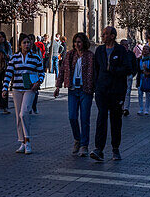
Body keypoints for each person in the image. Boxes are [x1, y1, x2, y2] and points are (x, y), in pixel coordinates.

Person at [90, 26, 129, 163]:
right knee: (101, 118)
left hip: (116, 90)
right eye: (103, 33)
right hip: (102, 89)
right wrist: (96, 85)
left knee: (115, 119)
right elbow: (96, 69)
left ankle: (115, 148)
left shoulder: (121, 50)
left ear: (112, 36)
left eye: (105, 34)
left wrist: (112, 69)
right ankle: (98, 149)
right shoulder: (99, 50)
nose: (103, 36)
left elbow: (127, 69)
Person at [54, 31, 95, 156]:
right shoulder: (70, 55)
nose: (77, 44)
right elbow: (63, 70)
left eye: (80, 42)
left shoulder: (90, 56)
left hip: (85, 90)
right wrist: (58, 86)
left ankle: (84, 145)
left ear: (84, 43)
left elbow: (94, 73)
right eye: (75, 42)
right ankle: (77, 139)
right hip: (72, 90)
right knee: (72, 117)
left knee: (84, 118)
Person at [2, 35, 44, 154]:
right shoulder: (14, 58)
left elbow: (41, 72)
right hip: (17, 89)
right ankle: (22, 142)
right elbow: (9, 73)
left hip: (30, 89)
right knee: (18, 116)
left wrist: (38, 82)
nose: (27, 45)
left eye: (28, 43)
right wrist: (5, 88)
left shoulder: (35, 58)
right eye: (24, 43)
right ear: (20, 44)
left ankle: (28, 140)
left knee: (24, 113)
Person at [0, 31, 12, 114]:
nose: (1, 39)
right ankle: (0, 106)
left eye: (2, 37)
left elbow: (11, 55)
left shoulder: (8, 46)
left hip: (6, 68)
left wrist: (8, 56)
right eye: (0, 37)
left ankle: (5, 107)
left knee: (5, 87)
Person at [136, 44, 150, 115]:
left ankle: (147, 109)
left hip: (148, 77)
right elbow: (137, 69)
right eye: (144, 49)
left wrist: (146, 69)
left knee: (148, 94)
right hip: (140, 77)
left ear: (149, 51)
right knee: (140, 93)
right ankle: (141, 108)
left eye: (146, 49)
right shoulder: (139, 59)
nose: (145, 50)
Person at [120, 39, 134, 116]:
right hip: (120, 76)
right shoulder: (118, 53)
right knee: (120, 92)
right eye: (124, 45)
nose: (126, 47)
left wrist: (132, 73)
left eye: (127, 45)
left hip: (128, 75)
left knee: (127, 92)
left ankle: (126, 108)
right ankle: (120, 107)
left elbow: (134, 64)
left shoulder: (131, 54)